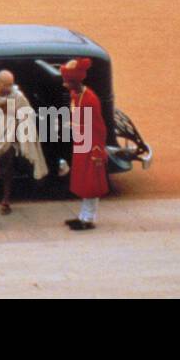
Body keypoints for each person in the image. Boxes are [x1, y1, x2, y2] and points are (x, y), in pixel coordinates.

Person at [0, 69, 48, 227]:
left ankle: (6, 201)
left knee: (7, 170)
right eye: (6, 84)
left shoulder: (17, 96)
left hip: (9, 139)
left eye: (11, 84)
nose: (9, 87)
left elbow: (27, 113)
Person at [60, 57, 108, 231]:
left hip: (90, 146)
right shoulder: (77, 95)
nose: (65, 85)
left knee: (90, 183)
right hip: (82, 143)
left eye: (67, 82)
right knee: (83, 181)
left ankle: (88, 219)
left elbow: (98, 128)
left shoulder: (89, 100)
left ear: (75, 81)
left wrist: (96, 150)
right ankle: (83, 215)